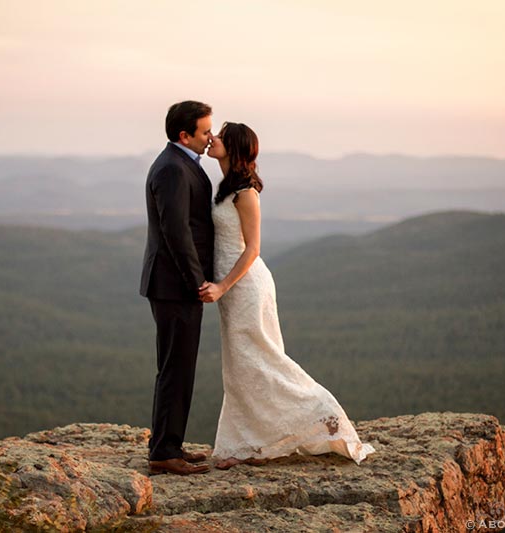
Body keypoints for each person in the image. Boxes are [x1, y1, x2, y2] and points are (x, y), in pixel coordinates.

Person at [198, 122, 376, 470]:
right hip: (233, 291)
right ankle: (247, 443)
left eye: (220, 134)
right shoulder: (225, 186)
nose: (213, 138)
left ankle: (325, 414)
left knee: (262, 360)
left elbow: (252, 250)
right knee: (239, 366)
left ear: (234, 148)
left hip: (245, 286)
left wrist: (221, 286)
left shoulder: (246, 192)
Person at [139, 101, 215, 475]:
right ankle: (164, 452)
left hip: (175, 284)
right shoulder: (171, 168)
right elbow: (176, 231)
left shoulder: (181, 163)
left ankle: (170, 445)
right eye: (204, 132)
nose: (210, 137)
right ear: (184, 134)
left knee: (180, 366)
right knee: (175, 367)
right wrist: (196, 280)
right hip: (175, 284)